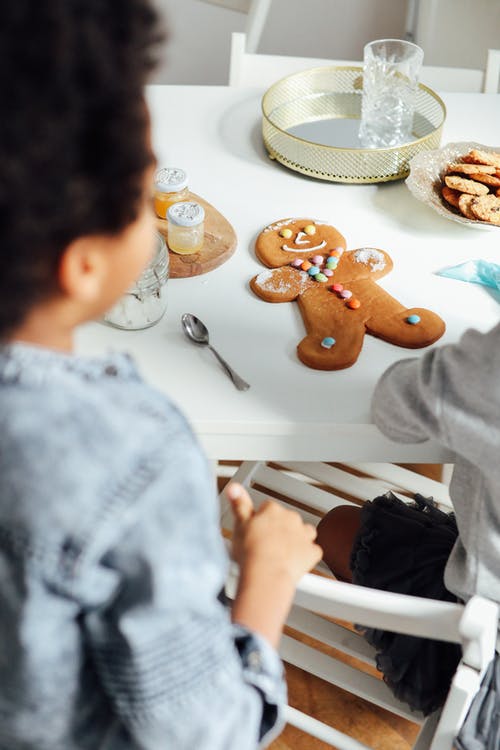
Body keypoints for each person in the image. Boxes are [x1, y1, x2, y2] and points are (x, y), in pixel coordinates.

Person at [0, 2, 322, 748]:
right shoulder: (132, 460)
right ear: (80, 267)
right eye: (144, 199)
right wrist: (267, 578)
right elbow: (209, 735)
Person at [316, 321, 500, 721]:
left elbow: (393, 406)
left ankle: (410, 649)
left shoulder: (491, 371)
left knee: (333, 526)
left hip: (482, 654)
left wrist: (457, 361)